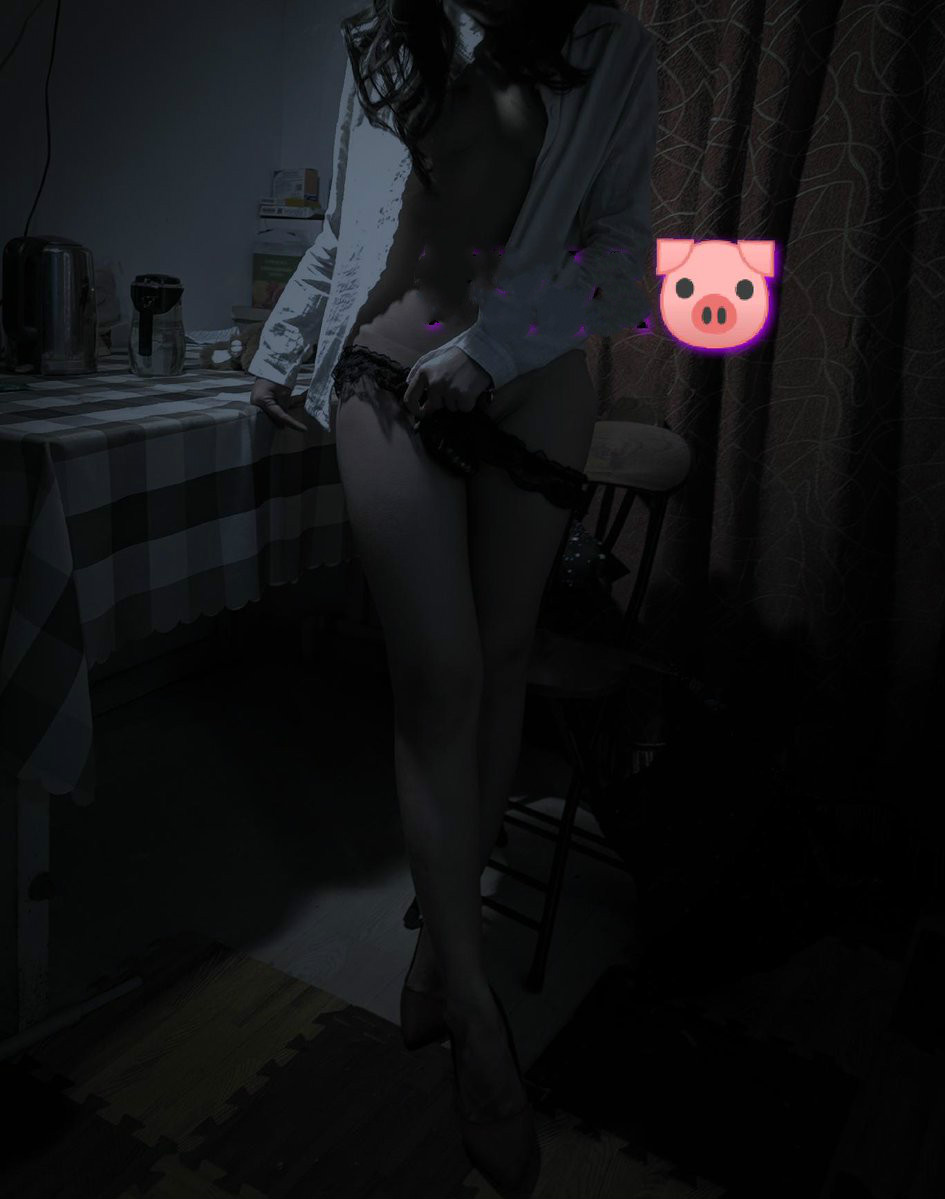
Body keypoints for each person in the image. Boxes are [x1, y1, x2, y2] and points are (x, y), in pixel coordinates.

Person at [250, 2, 657, 1193]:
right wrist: (286, 341)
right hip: (386, 369)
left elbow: (625, 255)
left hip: (529, 380)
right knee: (440, 677)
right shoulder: (387, 30)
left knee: (502, 663)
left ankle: (441, 954)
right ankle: (479, 1021)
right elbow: (353, 223)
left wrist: (497, 350)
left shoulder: (613, 49)